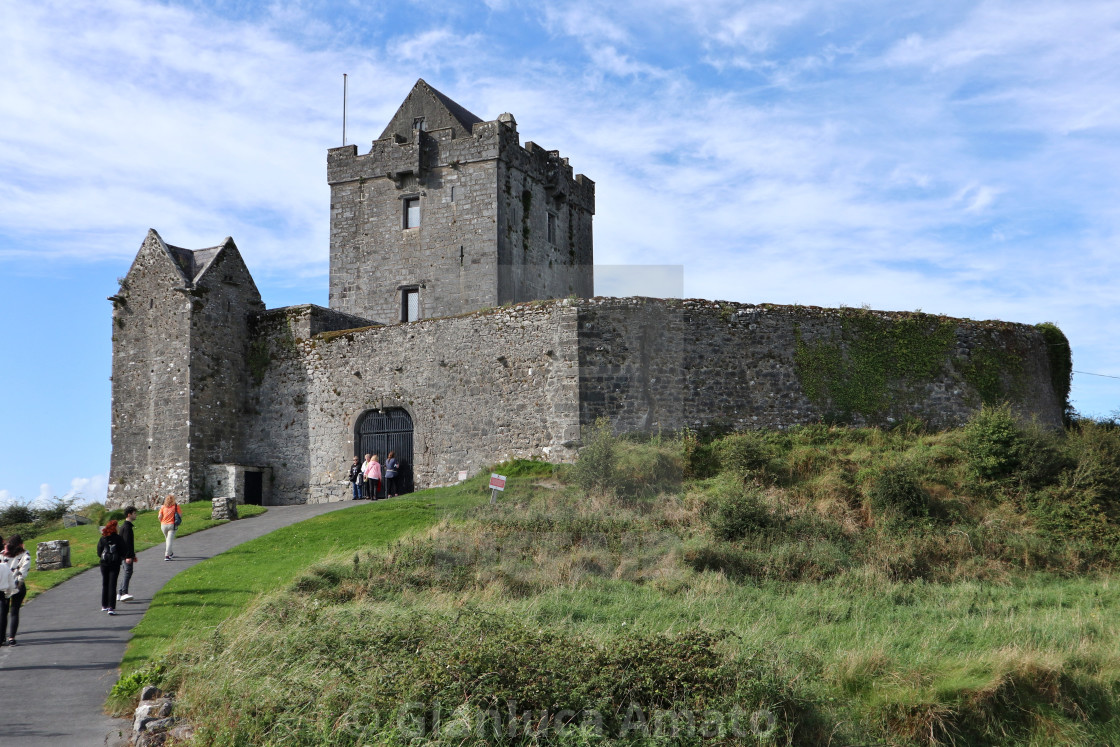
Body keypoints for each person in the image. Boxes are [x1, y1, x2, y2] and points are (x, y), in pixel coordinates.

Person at [1, 534, 31, 643]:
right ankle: (12, 638)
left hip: (4, 586)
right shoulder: (25, 554)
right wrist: (18, 580)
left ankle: (2, 638)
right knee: (14, 612)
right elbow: (23, 571)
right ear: (20, 544)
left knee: (3, 613)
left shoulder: (2, 555)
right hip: (18, 586)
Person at [96, 521, 125, 615]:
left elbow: (99, 552)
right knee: (112, 585)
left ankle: (104, 605)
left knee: (105, 583)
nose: (119, 527)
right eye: (118, 526)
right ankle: (111, 607)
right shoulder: (118, 538)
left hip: (104, 563)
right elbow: (123, 551)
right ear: (114, 527)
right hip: (114, 563)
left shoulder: (103, 538)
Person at [117, 506, 138, 602]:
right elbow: (127, 543)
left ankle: (120, 592)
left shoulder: (124, 526)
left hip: (125, 555)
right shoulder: (127, 528)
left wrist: (133, 555)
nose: (136, 515)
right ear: (129, 514)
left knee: (127, 572)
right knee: (128, 572)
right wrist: (128, 556)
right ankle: (124, 593)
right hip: (126, 555)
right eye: (134, 513)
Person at [158, 495, 182, 561]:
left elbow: (159, 516)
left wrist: (161, 522)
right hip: (172, 525)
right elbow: (180, 515)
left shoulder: (163, 507)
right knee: (169, 540)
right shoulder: (176, 507)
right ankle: (167, 555)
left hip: (163, 525)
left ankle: (170, 553)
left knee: (167, 539)